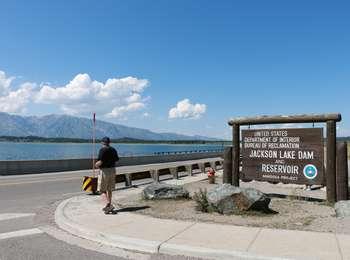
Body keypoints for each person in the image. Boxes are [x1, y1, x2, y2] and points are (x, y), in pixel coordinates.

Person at [95, 136, 119, 213]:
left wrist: (96, 164)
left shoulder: (103, 150)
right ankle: (108, 206)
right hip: (112, 170)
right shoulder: (113, 149)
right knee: (109, 189)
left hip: (104, 171)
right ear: (109, 142)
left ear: (102, 142)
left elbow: (100, 161)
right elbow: (116, 160)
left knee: (101, 190)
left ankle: (108, 204)